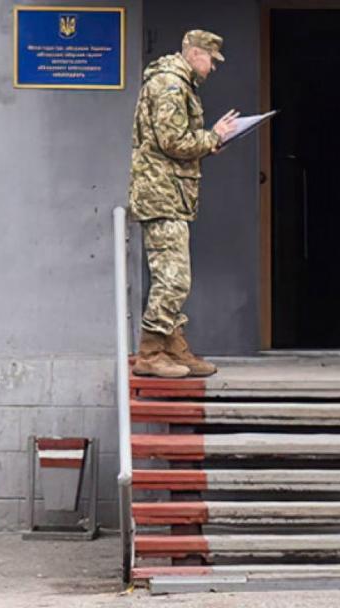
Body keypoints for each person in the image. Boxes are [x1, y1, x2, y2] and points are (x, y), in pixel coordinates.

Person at [128, 30, 239, 378]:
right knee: (174, 278)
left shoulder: (177, 84)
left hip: (170, 193)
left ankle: (173, 346)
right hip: (161, 194)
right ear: (193, 53)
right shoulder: (171, 85)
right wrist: (213, 136)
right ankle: (150, 352)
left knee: (173, 275)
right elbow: (172, 140)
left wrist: (209, 142)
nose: (212, 68)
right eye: (209, 59)